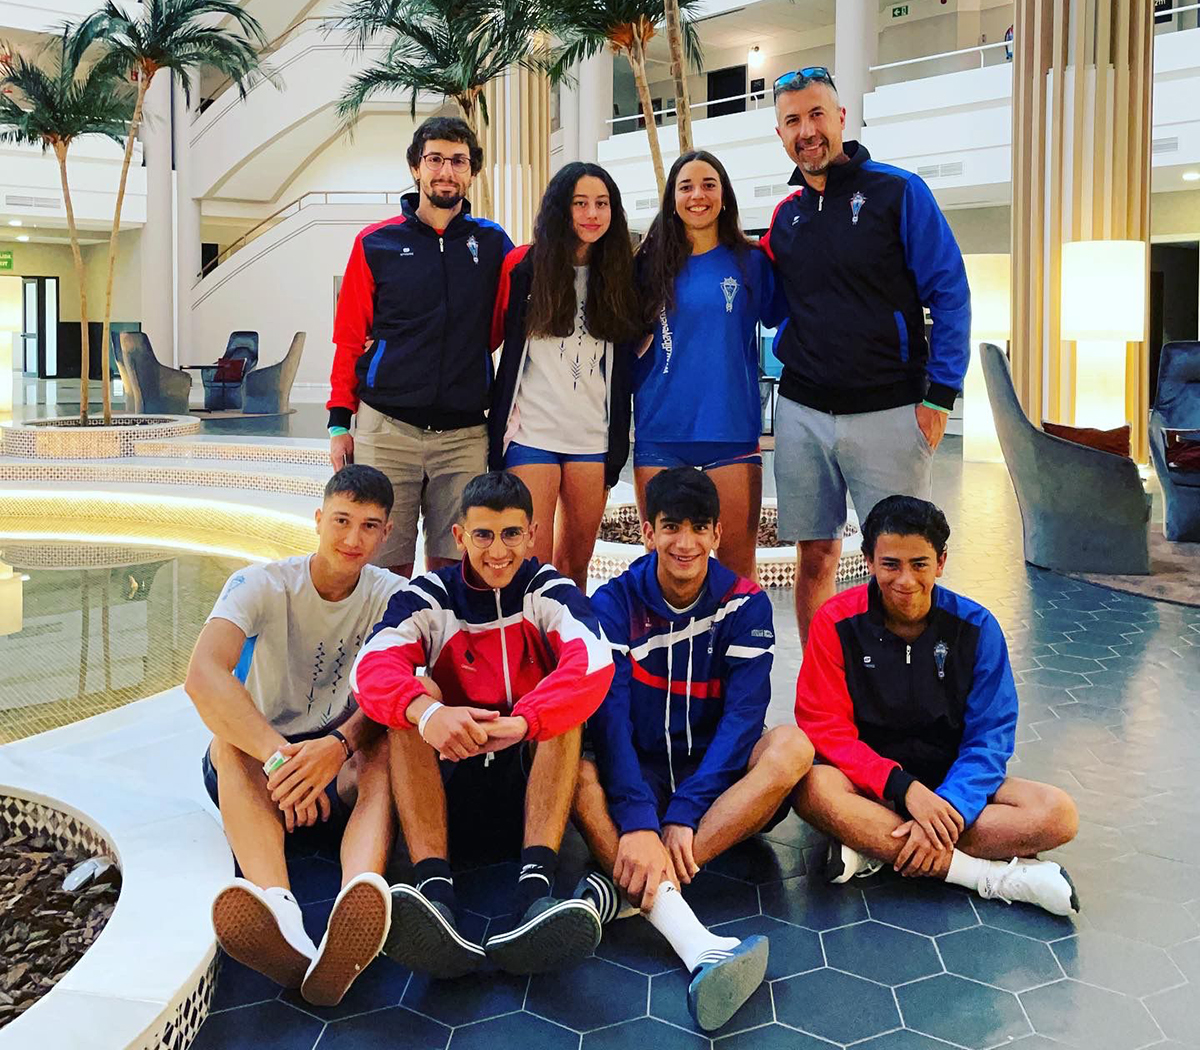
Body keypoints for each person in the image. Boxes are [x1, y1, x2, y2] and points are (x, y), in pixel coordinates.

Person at [572, 468, 815, 1032]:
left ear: (717, 533)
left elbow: (742, 721)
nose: (685, 543)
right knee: (576, 771)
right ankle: (693, 938)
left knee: (792, 747)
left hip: (714, 785)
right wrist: (638, 818)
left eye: (699, 528)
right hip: (641, 775)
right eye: (671, 527)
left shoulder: (745, 604)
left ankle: (632, 888)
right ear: (648, 533)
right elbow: (610, 723)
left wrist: (686, 811)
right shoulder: (613, 602)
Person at [349, 471, 615, 978]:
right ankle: (436, 894)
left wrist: (526, 722)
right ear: (459, 537)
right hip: (450, 786)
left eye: (511, 534)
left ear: (532, 535)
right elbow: (371, 667)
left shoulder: (549, 590)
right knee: (412, 705)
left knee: (563, 711)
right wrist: (430, 715)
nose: (498, 551)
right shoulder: (430, 595)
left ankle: (535, 894)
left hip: (529, 792)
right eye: (484, 535)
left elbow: (595, 661)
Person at [792, 495, 1081, 916]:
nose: (905, 580)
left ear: (941, 562)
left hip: (948, 782)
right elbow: (825, 727)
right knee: (813, 787)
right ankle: (984, 876)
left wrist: (952, 805)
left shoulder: (977, 627)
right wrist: (903, 789)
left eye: (919, 564)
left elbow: (990, 738)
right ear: (869, 561)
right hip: (871, 786)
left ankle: (874, 845)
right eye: (890, 565)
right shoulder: (834, 622)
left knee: (1057, 814)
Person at [763, 69, 971, 642]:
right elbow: (771, 303)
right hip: (803, 413)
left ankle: (903, 683)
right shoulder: (786, 217)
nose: (807, 131)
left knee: (902, 560)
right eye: (793, 121)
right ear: (780, 134)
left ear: (841, 118)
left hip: (889, 411)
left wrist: (940, 397)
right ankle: (822, 681)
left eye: (817, 115)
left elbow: (950, 291)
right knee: (815, 557)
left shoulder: (898, 192)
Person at [187, 465, 404, 1007]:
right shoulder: (261, 584)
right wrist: (282, 762)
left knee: (386, 742)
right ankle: (281, 912)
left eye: (369, 526)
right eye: (342, 520)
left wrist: (338, 746)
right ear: (318, 519)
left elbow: (408, 686)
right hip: (263, 771)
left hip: (338, 769)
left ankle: (356, 907)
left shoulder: (392, 595)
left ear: (387, 533)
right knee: (226, 741)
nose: (352, 538)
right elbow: (203, 676)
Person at [327, 115, 513, 578]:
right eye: (435, 159)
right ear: (416, 167)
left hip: (464, 435)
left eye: (458, 161)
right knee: (382, 569)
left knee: (459, 567)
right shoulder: (376, 243)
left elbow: (499, 327)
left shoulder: (492, 243)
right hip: (387, 430)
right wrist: (339, 422)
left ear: (472, 172)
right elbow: (349, 336)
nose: (446, 171)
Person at [632, 150, 784, 580]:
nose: (697, 195)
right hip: (661, 430)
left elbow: (789, 319)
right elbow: (624, 340)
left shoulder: (751, 262)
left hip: (731, 430)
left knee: (737, 568)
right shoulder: (646, 265)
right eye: (686, 187)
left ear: (724, 195)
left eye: (708, 185)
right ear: (672, 198)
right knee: (662, 568)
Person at [489, 162, 640, 587]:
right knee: (530, 568)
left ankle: (570, 633)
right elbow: (493, 334)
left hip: (591, 438)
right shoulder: (525, 266)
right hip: (532, 433)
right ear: (561, 208)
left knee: (575, 568)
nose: (592, 213)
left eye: (602, 204)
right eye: (580, 203)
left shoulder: (620, 274)